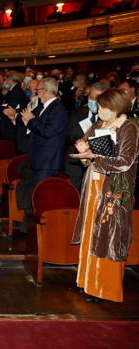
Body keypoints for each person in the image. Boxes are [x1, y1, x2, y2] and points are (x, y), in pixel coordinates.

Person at [70, 88, 139, 303]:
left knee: (108, 236)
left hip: (114, 190)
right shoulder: (99, 125)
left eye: (102, 106)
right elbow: (87, 154)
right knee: (92, 233)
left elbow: (125, 162)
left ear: (115, 108)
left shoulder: (129, 128)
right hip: (93, 186)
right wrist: (83, 151)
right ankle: (88, 282)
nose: (98, 110)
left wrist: (94, 157)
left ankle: (104, 288)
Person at [20, 77, 67, 183]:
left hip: (48, 160)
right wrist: (28, 124)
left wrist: (31, 121)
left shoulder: (57, 108)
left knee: (43, 193)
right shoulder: (43, 107)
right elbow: (37, 128)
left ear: (45, 90)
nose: (36, 93)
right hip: (40, 158)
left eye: (38, 90)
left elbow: (48, 131)